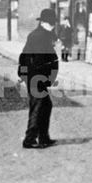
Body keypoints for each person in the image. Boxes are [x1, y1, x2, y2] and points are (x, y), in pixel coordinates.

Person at [18, 8, 60, 149]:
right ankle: (29, 139)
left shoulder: (39, 34)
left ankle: (43, 137)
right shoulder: (40, 36)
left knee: (45, 105)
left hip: (34, 77)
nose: (53, 25)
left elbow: (23, 56)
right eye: (51, 23)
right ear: (44, 22)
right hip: (36, 78)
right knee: (38, 107)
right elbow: (38, 60)